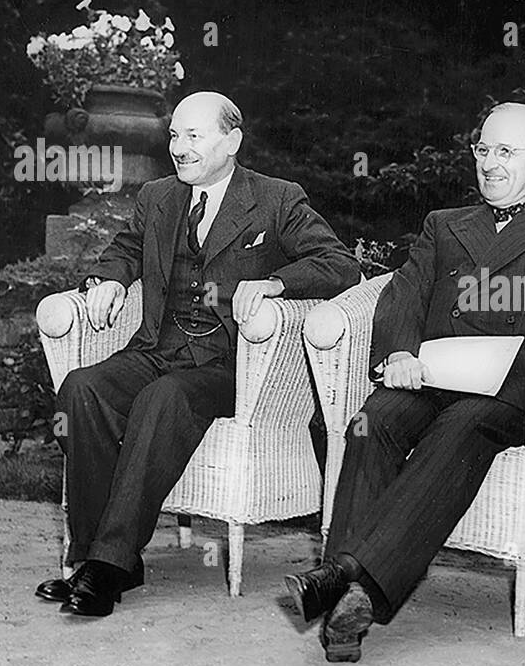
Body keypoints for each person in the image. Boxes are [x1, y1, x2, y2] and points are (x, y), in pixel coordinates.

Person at [285, 102, 525, 661]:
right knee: (372, 422)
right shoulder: (443, 225)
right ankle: (352, 595)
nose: (490, 163)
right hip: (432, 375)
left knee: (463, 427)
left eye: (506, 152)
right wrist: (398, 353)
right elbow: (404, 292)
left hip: (506, 396)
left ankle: (345, 581)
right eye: (483, 150)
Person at [36, 91, 360, 617]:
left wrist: (278, 283)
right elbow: (123, 248)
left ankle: (109, 565)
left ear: (231, 141)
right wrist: (109, 280)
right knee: (81, 388)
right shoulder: (158, 196)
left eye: (193, 136)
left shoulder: (276, 198)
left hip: (231, 366)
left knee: (165, 396)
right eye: (173, 136)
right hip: (157, 348)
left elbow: (339, 265)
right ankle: (97, 556)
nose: (179, 148)